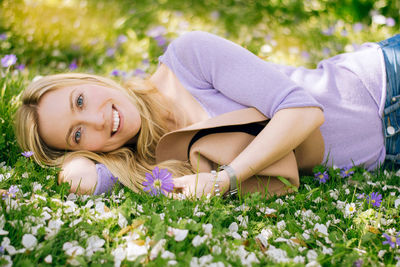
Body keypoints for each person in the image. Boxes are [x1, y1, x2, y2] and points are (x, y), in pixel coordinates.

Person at [14, 31, 398, 197]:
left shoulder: (189, 58)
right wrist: (78, 161)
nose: (96, 120)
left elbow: (303, 112)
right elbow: (82, 180)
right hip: (388, 159)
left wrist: (225, 179)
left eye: (80, 101)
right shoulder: (151, 162)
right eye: (77, 135)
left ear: (90, 79)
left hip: (384, 86)